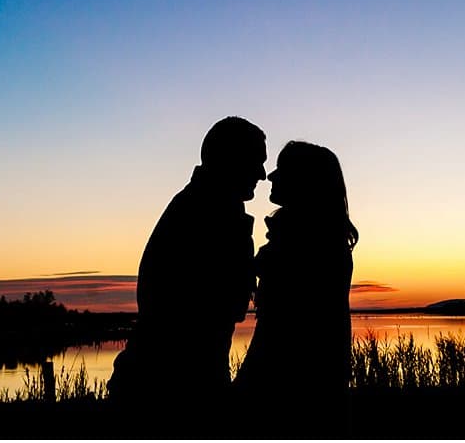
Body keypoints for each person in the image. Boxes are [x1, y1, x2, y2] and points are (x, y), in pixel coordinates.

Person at [108, 116, 267, 434]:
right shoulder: (206, 215)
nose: (262, 175)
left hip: (166, 386)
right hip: (172, 395)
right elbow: (222, 304)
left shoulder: (204, 207)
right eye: (256, 162)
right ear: (230, 159)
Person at [233, 141, 357, 438]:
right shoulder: (308, 238)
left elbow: (286, 328)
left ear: (305, 182)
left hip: (293, 379)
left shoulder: (307, 244)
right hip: (308, 375)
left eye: (282, 170)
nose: (271, 177)